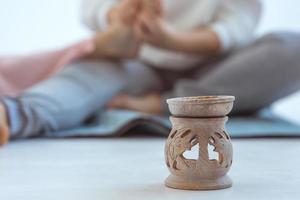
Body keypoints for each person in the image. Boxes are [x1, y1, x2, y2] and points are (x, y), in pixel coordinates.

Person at [1, 0, 300, 146]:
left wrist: (172, 40)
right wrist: (115, 14)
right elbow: (90, 7)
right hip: (137, 60)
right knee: (87, 74)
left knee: (292, 47)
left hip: (217, 67)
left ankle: (164, 103)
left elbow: (236, 25)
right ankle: (13, 113)